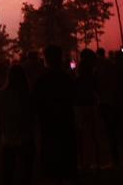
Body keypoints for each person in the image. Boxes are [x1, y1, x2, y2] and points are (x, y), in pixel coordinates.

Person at [33, 45, 77, 183]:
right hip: (66, 122)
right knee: (66, 155)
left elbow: (35, 103)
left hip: (49, 124)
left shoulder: (42, 80)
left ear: (46, 59)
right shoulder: (67, 78)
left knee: (52, 158)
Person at [0, 65, 35, 185]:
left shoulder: (0, 94)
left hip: (7, 135)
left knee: (8, 171)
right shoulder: (28, 95)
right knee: (26, 171)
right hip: (25, 135)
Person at [73, 49, 100, 170]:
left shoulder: (78, 77)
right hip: (89, 104)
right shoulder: (92, 76)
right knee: (92, 133)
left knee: (81, 134)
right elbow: (96, 89)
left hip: (79, 106)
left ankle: (81, 161)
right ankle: (94, 161)